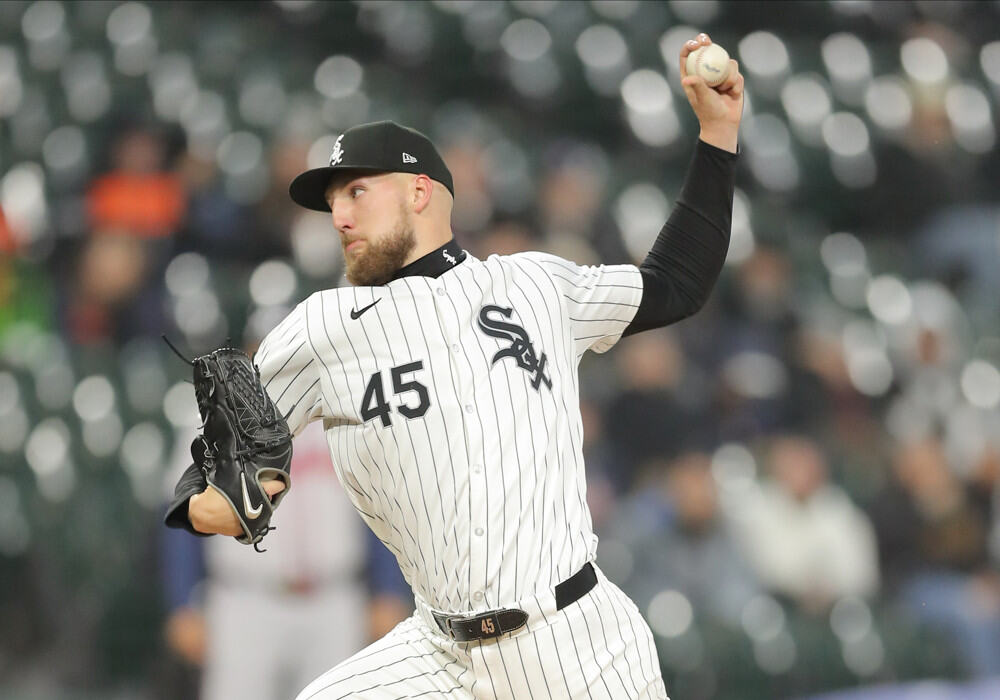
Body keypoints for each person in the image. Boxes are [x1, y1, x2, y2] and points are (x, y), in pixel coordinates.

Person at [166, 32, 743, 699]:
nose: (339, 215)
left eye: (356, 192)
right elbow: (208, 486)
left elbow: (677, 282)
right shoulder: (318, 331)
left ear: (420, 192)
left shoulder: (535, 285)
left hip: (577, 642)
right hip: (439, 654)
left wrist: (717, 135)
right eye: (332, 203)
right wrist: (213, 502)